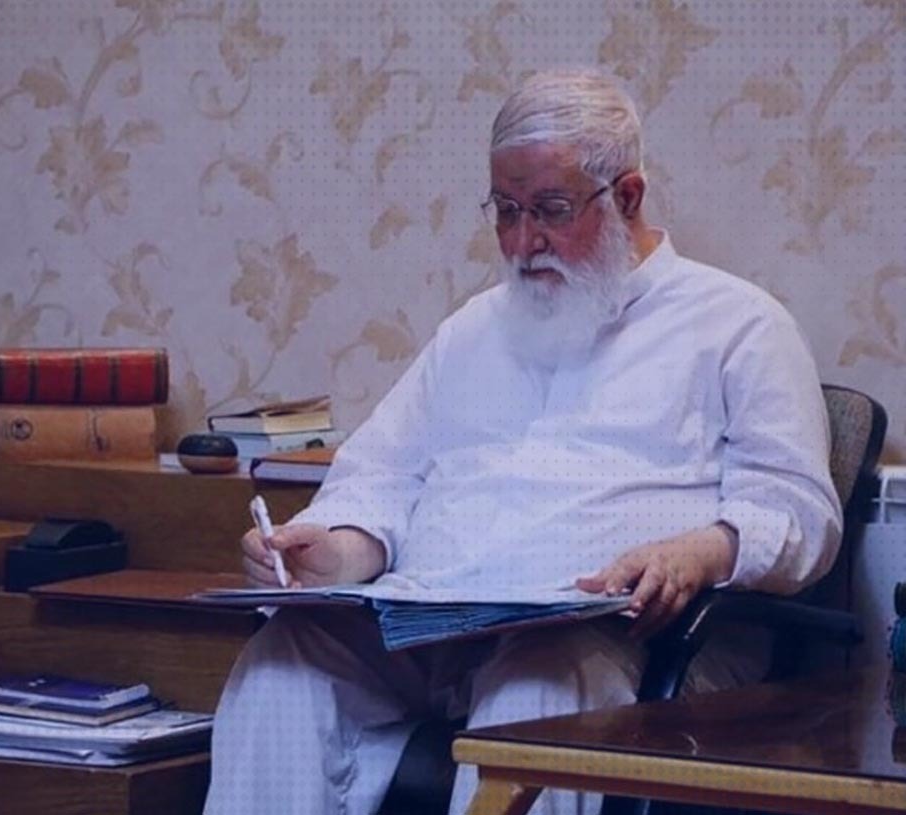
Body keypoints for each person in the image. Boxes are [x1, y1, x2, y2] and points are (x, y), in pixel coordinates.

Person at [203, 68, 841, 815]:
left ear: (627, 196)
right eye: (506, 211)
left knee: (536, 683)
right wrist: (334, 550)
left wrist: (698, 553)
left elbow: (799, 512)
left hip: (620, 643)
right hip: (437, 625)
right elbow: (380, 478)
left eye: (550, 210)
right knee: (283, 661)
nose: (522, 241)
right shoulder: (471, 331)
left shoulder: (738, 325)